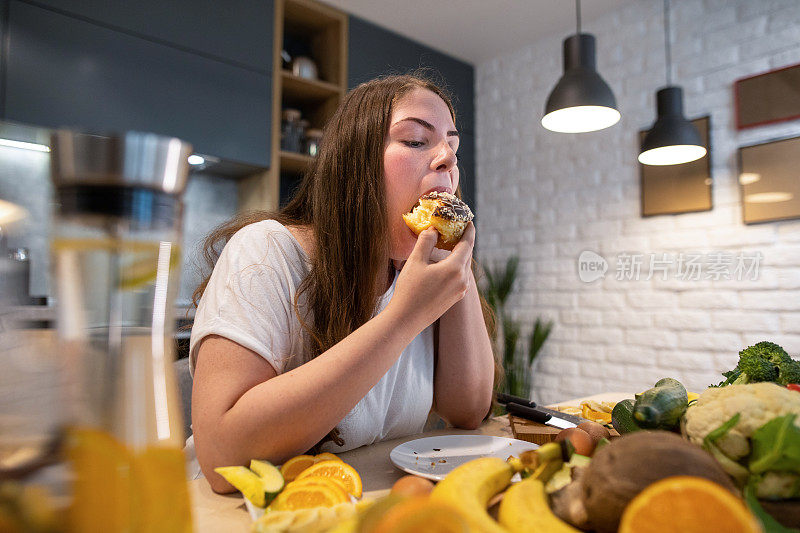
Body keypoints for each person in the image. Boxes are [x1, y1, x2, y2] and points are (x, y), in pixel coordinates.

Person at [188, 73, 498, 493]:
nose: (447, 158)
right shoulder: (264, 252)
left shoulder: (423, 273)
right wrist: (404, 317)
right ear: (354, 163)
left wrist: (455, 257)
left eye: (452, 147)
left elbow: (468, 410)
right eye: (415, 141)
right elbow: (223, 458)